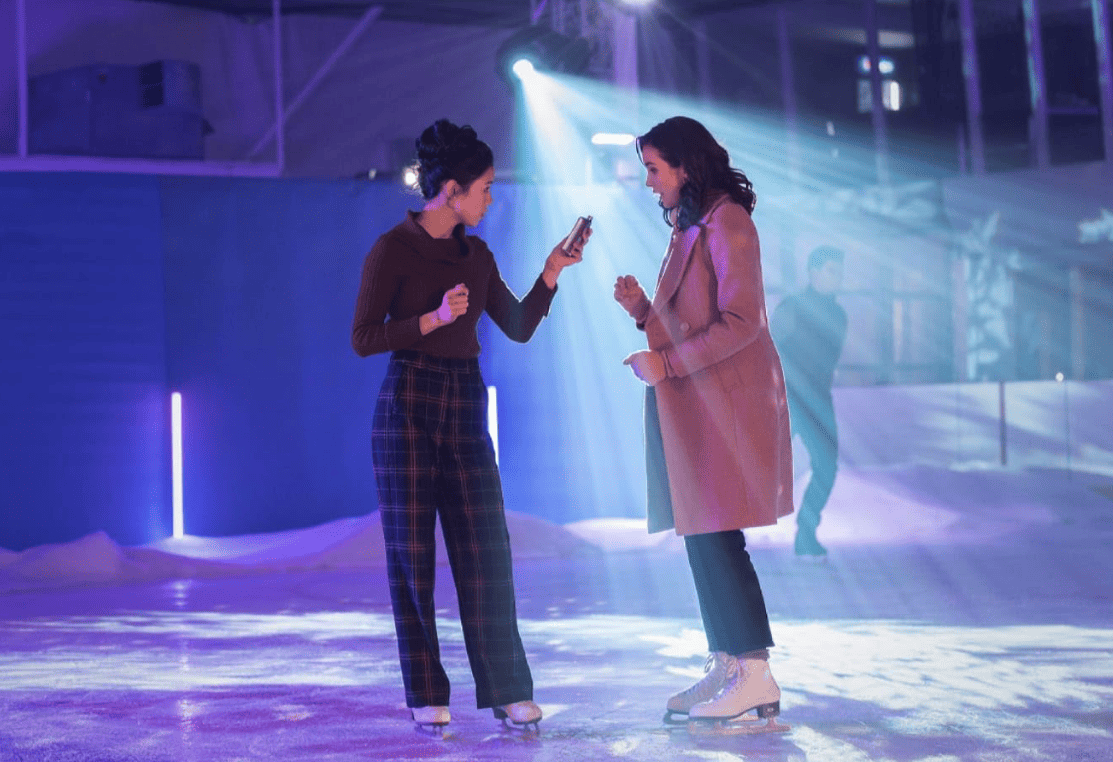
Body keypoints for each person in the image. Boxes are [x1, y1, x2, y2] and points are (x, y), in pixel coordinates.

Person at [351, 119, 585, 731]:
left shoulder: (476, 255)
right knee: (413, 556)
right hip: (405, 404)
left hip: (463, 402)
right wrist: (428, 321)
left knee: (487, 553)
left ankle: (508, 688)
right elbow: (362, 338)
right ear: (451, 190)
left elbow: (518, 324)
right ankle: (426, 692)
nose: (490, 197)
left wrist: (553, 270)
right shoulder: (392, 250)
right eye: (483, 187)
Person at [614, 116, 793, 729]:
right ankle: (729, 663)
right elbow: (692, 315)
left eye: (654, 168)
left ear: (686, 166)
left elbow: (742, 322)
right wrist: (645, 311)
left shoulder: (728, 222)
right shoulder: (693, 224)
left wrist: (664, 362)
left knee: (717, 536)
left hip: (726, 405)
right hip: (698, 405)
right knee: (702, 535)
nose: (648, 182)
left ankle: (754, 671)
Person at [770, 246, 847, 559]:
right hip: (788, 399)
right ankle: (722, 531)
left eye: (839, 270)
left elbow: (827, 360)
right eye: (831, 270)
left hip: (818, 401)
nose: (838, 277)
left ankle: (806, 531)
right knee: (763, 469)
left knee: (827, 466)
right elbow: (770, 349)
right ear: (813, 272)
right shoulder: (792, 307)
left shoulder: (839, 315)